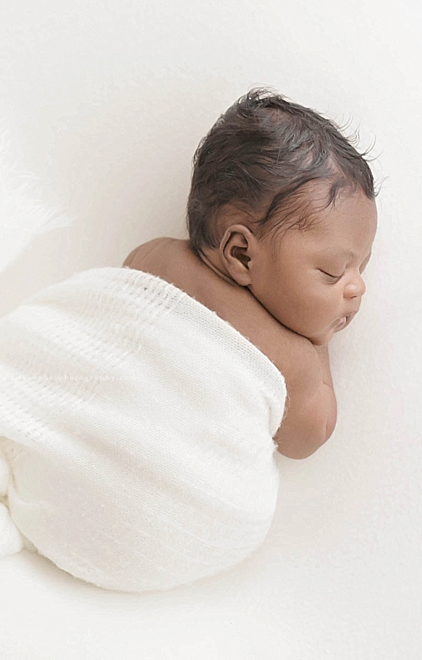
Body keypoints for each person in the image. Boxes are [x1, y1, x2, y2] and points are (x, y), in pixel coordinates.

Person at [123, 89, 378, 459]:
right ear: (241, 253)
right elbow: (311, 433)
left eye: (362, 267)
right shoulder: (294, 367)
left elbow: (133, 270)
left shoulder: (155, 257)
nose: (358, 287)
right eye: (333, 271)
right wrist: (315, 340)